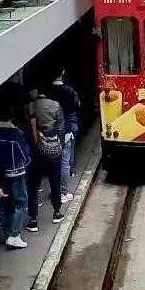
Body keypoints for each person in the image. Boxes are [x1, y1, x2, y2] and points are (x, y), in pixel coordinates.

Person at [0, 102, 32, 249]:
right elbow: (25, 155)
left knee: (3, 202)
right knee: (20, 201)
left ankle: (8, 233)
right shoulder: (17, 134)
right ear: (12, 116)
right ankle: (14, 235)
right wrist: (25, 164)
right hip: (16, 173)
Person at [28, 87, 66, 227]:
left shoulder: (30, 107)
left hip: (36, 150)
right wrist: (59, 146)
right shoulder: (56, 105)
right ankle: (57, 212)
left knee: (33, 185)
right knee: (55, 180)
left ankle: (33, 219)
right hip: (53, 148)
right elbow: (61, 128)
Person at [49, 71, 81, 202]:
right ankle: (63, 192)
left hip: (50, 132)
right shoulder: (69, 90)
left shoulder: (48, 91)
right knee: (65, 163)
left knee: (53, 162)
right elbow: (77, 105)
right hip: (67, 129)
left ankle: (54, 191)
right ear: (62, 72)